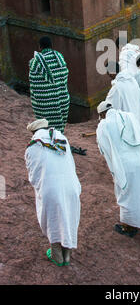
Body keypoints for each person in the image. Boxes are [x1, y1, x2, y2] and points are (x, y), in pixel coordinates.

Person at [25, 119, 81, 267]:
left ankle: (57, 256)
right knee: (68, 217)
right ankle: (67, 254)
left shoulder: (33, 147)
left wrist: (41, 189)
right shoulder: (62, 139)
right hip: (72, 187)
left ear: (33, 132)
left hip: (51, 190)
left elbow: (34, 175)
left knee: (53, 219)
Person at [97, 102, 140, 237]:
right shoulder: (130, 116)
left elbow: (104, 149)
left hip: (124, 165)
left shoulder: (104, 125)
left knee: (126, 194)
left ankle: (128, 226)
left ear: (102, 114)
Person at [102, 61, 140, 150]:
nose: (108, 75)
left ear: (112, 72)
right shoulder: (132, 81)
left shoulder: (117, 88)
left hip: (127, 125)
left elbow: (108, 107)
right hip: (137, 120)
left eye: (108, 72)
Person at [29, 36, 70, 134]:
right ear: (51, 46)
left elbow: (33, 82)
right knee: (59, 125)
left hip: (44, 103)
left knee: (45, 126)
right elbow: (65, 75)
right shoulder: (59, 57)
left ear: (40, 47)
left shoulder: (35, 62)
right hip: (61, 99)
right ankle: (59, 139)